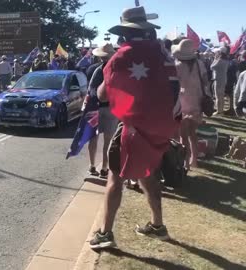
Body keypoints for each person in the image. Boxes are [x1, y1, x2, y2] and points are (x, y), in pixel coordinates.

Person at [89, 6, 181, 250]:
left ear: (124, 32)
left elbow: (103, 94)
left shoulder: (121, 57)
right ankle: (158, 225)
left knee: (114, 179)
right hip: (161, 127)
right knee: (148, 173)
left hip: (134, 127)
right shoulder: (163, 54)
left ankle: (105, 233)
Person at [173, 39, 210, 170]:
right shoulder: (200, 64)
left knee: (182, 135)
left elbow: (175, 84)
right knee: (193, 134)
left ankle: (186, 163)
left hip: (182, 101)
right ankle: (194, 159)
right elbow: (206, 81)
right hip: (197, 100)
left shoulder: (177, 66)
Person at [85, 44, 118, 179]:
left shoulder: (94, 69)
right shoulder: (116, 71)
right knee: (108, 140)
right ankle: (105, 168)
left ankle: (92, 165)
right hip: (111, 107)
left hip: (94, 107)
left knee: (93, 138)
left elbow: (90, 90)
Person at [211, 47, 229, 115]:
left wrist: (215, 59)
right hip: (223, 79)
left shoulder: (220, 60)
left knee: (218, 96)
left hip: (218, 80)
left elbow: (212, 67)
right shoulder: (226, 60)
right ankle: (221, 110)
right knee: (221, 95)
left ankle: (219, 111)